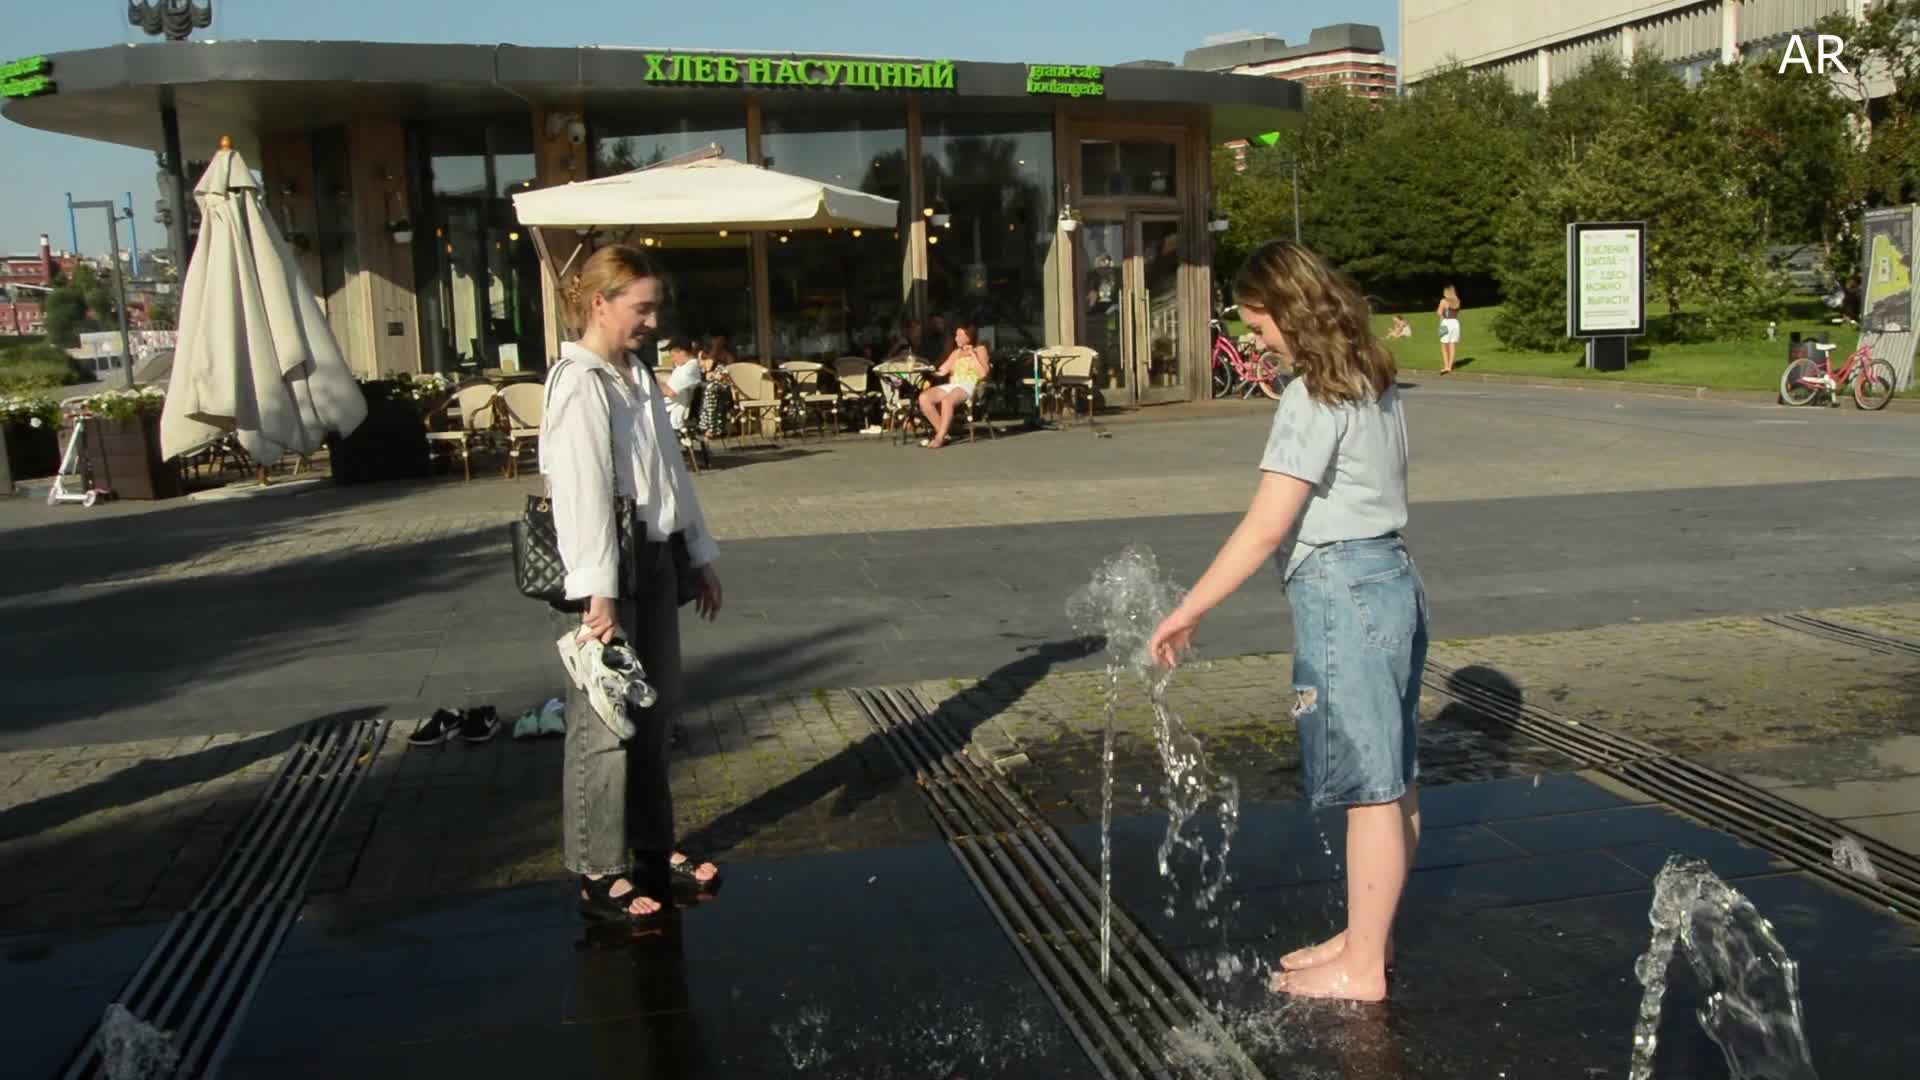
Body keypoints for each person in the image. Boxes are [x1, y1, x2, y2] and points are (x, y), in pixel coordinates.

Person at [1148, 240, 1426, 1003]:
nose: (1256, 339)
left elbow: (1266, 525)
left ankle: (1362, 969)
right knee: (1396, 779)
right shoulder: (1375, 377)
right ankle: (1369, 937)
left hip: (1345, 591)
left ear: (1290, 310)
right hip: (1393, 579)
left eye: (1259, 323)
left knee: (1370, 788)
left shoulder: (1313, 396)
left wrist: (1189, 608)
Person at [542, 245, 727, 925]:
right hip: (605, 571)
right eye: (642, 308)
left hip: (651, 560)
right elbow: (580, 490)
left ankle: (650, 844)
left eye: (655, 308)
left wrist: (696, 554)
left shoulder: (636, 374)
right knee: (603, 721)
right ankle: (598, 869)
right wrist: (599, 591)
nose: (653, 321)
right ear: (601, 304)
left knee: (655, 711)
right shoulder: (579, 381)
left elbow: (669, 473)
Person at [916, 322, 989, 450]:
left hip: (969, 385)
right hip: (954, 384)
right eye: (956, 335)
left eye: (959, 335)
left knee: (947, 400)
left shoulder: (980, 350)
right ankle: (944, 434)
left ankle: (939, 437)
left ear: (969, 336)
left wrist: (972, 355)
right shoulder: (956, 353)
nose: (956, 338)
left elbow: (983, 374)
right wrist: (926, 369)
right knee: (924, 398)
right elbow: (942, 370)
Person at [659, 337, 703, 435]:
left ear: (682, 352)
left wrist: (654, 380)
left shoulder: (687, 370)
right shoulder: (683, 367)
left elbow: (670, 392)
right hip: (668, 409)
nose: (672, 360)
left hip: (666, 410)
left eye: (673, 356)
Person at [1436, 286, 1462, 374]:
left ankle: (1446, 366)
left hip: (1445, 323)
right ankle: (1450, 366)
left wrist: (1442, 311)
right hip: (1455, 323)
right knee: (1452, 345)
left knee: (1444, 345)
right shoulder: (1457, 301)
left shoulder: (1443, 301)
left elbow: (1439, 312)